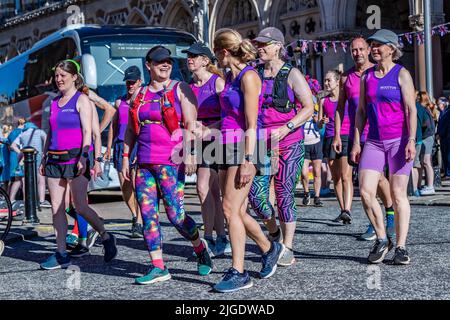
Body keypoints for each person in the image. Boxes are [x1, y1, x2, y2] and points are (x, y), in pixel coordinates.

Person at [122, 46, 213, 285]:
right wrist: (125, 157)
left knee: (176, 216)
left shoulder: (179, 89)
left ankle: (199, 246)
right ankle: (158, 266)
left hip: (171, 162)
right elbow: (131, 129)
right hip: (143, 163)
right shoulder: (138, 94)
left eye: (168, 61)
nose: (165, 65)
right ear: (148, 65)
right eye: (160, 61)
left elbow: (192, 125)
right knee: (148, 216)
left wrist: (192, 154)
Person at [212, 28, 285, 293]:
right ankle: (269, 248)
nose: (215, 58)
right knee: (237, 211)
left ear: (224, 51)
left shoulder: (249, 76)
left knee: (230, 210)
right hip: (225, 145)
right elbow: (229, 117)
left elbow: (252, 124)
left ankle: (239, 272)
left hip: (245, 147)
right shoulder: (229, 76)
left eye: (215, 53)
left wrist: (247, 160)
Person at [39, 59, 117, 270]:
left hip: (75, 157)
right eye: (56, 76)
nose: (59, 79)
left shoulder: (82, 100)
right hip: (54, 159)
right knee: (57, 208)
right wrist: (44, 157)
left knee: (80, 206)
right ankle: (61, 253)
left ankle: (105, 235)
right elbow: (50, 133)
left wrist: (86, 157)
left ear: (74, 77)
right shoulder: (53, 103)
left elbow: (87, 132)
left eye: (63, 75)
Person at [248, 27, 314, 267]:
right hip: (260, 143)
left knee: (285, 193)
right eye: (258, 44)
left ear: (278, 46)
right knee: (256, 197)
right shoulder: (253, 74)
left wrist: (287, 126)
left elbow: (309, 107)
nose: (260, 48)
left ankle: (287, 246)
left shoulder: (292, 73)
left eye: (265, 44)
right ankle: (274, 232)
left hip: (289, 141)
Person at [350, 29, 417, 265]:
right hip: (374, 141)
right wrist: (357, 142)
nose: (374, 49)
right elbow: (360, 112)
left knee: (398, 195)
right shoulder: (366, 77)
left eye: (379, 45)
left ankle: (401, 246)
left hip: (399, 141)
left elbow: (411, 110)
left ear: (391, 49)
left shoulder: (402, 74)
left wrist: (411, 140)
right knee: (366, 192)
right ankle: (381, 238)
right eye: (372, 45)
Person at [333, 36, 395, 241]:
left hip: (377, 133)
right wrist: (337, 134)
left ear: (369, 50)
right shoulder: (346, 78)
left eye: (361, 49)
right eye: (354, 50)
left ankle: (389, 213)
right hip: (355, 134)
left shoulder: (377, 73)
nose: (357, 53)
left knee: (377, 178)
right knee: (367, 180)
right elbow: (340, 108)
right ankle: (380, 218)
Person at [183, 42, 231, 256]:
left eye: (194, 56)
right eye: (188, 56)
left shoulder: (217, 83)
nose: (189, 59)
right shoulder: (188, 87)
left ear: (205, 60)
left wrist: (208, 129)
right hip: (198, 140)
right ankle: (218, 238)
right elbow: (186, 121)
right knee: (209, 191)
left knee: (207, 189)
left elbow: (229, 117)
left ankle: (211, 238)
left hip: (219, 140)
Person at [106, 65, 143, 238]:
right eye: (128, 82)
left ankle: (141, 220)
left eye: (133, 82)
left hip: (138, 144)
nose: (130, 85)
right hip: (120, 145)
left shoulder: (144, 100)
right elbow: (113, 126)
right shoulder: (119, 102)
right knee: (125, 185)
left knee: (138, 184)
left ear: (139, 82)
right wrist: (109, 148)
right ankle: (135, 215)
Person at [319, 70, 353, 224]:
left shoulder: (345, 99)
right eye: (325, 80)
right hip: (329, 138)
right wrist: (322, 122)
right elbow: (318, 122)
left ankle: (348, 209)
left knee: (346, 176)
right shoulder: (323, 101)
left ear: (337, 81)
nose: (326, 83)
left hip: (346, 136)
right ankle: (343, 210)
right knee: (336, 178)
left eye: (328, 80)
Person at [11, 121, 51, 209]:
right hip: (38, 157)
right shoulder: (40, 132)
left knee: (25, 180)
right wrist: (45, 154)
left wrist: (21, 153)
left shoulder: (23, 134)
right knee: (41, 178)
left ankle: (27, 201)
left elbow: (13, 145)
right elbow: (47, 143)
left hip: (25, 158)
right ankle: (41, 200)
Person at [301, 76, 324, 207]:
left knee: (317, 172)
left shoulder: (316, 103)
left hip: (315, 141)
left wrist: (319, 121)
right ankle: (306, 192)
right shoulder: (300, 104)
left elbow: (320, 124)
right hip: (304, 142)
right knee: (304, 173)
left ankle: (317, 196)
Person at [412, 91, 436, 196]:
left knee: (426, 162)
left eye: (418, 97)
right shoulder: (425, 109)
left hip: (427, 136)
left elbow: (426, 124)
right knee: (422, 162)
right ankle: (423, 185)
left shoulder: (422, 109)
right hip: (426, 136)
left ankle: (430, 186)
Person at [7, 118, 25, 208]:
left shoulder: (12, 132)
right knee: (21, 179)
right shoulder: (22, 132)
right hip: (19, 158)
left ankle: (9, 199)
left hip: (12, 157)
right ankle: (26, 201)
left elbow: (9, 145)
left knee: (14, 179)